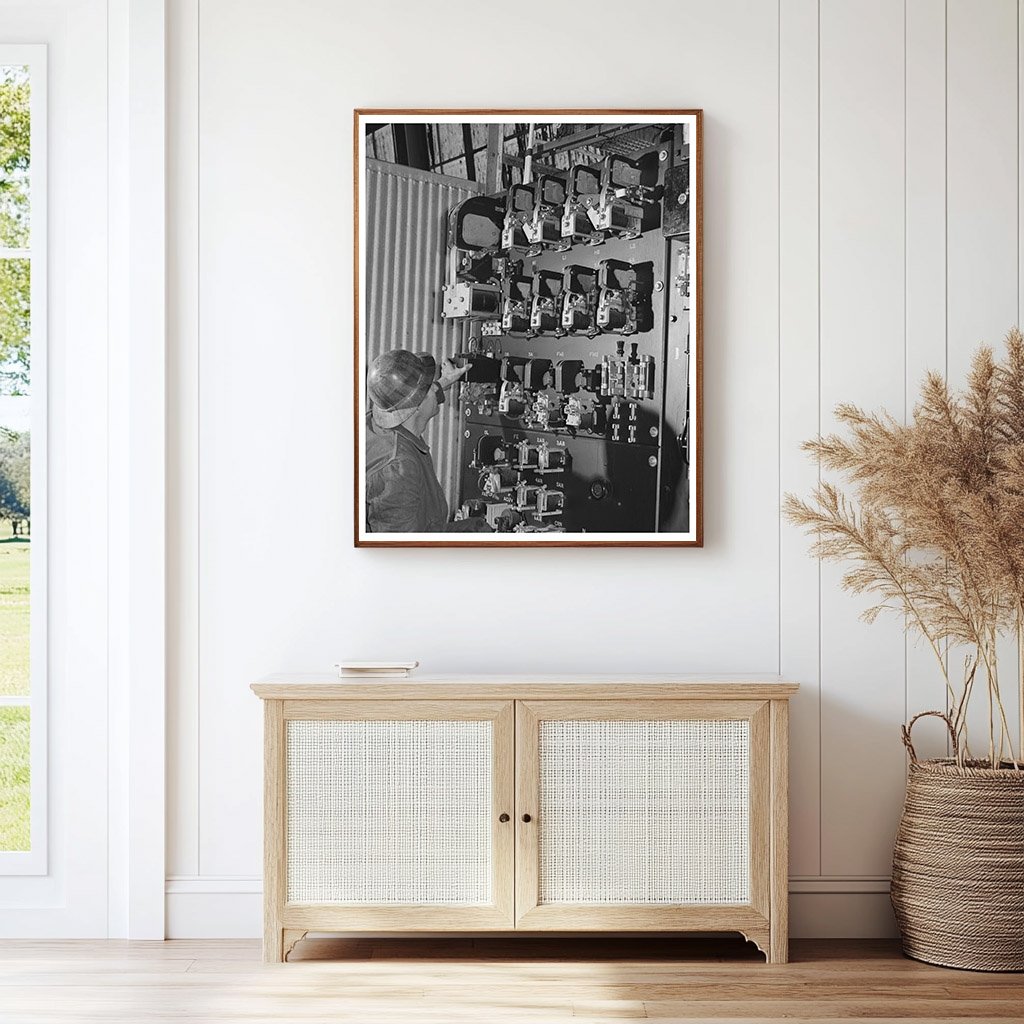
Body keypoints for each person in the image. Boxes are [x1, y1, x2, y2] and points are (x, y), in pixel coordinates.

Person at [365, 349, 491, 533]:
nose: (434, 387)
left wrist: (446, 380)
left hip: (426, 532)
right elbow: (401, 551)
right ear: (415, 408)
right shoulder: (398, 468)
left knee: (477, 528)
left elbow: (418, 399)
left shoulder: (379, 420)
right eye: (429, 386)